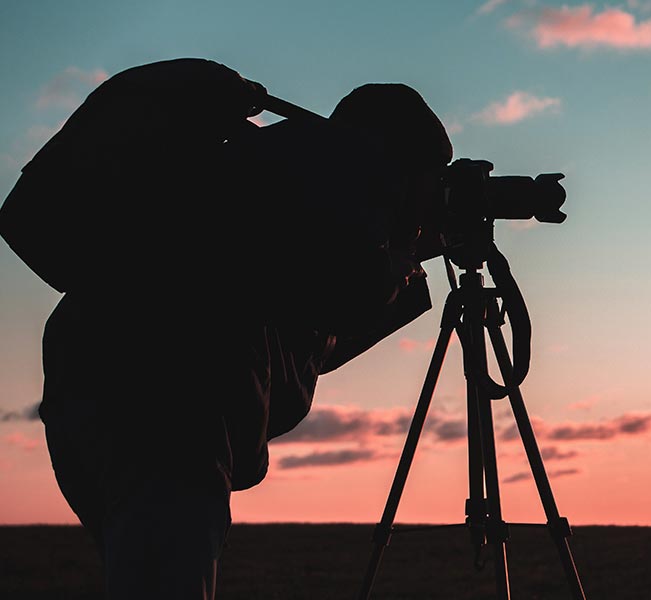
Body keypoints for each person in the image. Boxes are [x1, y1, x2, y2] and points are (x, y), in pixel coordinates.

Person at [7, 59, 452, 599]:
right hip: (170, 422)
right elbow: (347, 295)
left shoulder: (254, 181)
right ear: (392, 168)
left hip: (94, 404)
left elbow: (307, 337)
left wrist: (403, 259)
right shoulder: (323, 189)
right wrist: (399, 259)